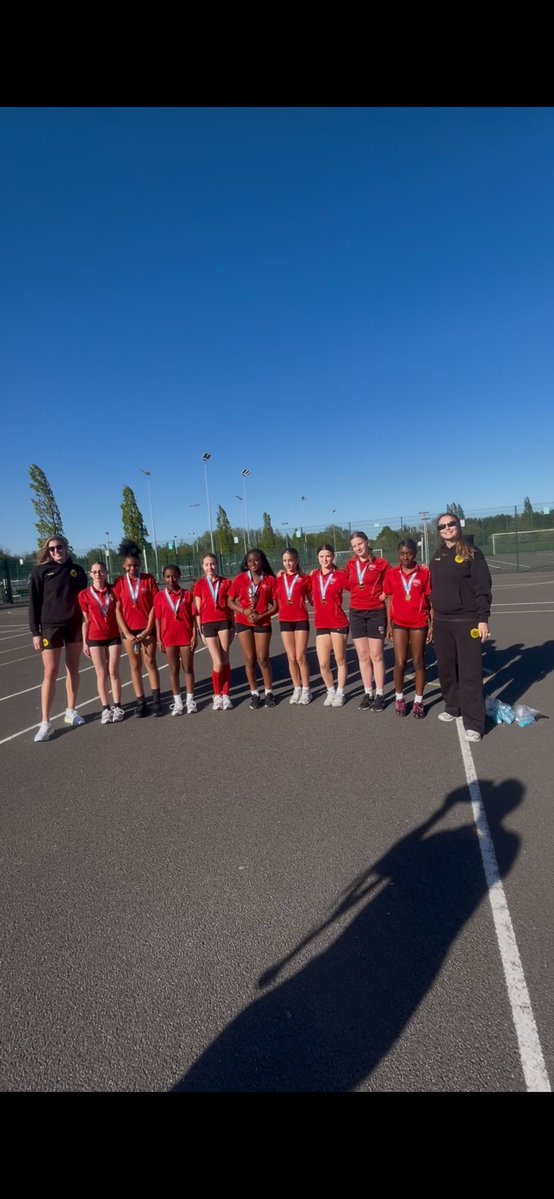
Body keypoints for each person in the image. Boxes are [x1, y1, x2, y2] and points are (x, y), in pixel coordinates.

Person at [429, 513, 492, 743]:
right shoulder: (438, 554)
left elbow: (483, 587)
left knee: (470, 673)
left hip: (467, 621)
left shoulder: (472, 552)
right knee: (446, 670)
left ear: (458, 525)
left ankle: (474, 723)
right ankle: (452, 706)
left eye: (451, 524)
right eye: (442, 526)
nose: (447, 528)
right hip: (442, 622)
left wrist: (483, 618)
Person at [28, 535, 88, 741]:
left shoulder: (78, 571)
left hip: (74, 626)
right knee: (50, 672)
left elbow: (85, 602)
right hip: (50, 628)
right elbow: (34, 603)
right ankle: (45, 722)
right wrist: (35, 632)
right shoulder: (40, 571)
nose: (56, 551)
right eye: (52, 548)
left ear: (66, 547)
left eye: (59, 547)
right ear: (48, 551)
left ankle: (70, 711)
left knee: (73, 668)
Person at [112, 540, 161, 717]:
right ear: (124, 566)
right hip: (129, 632)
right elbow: (117, 609)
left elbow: (155, 605)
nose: (133, 568)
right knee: (134, 665)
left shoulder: (148, 580)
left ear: (140, 564)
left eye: (135, 565)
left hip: (147, 629)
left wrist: (148, 628)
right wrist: (126, 632)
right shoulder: (119, 583)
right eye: (129, 566)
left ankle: (156, 700)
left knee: (150, 663)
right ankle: (141, 702)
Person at [383, 540, 431, 717]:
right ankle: (399, 699)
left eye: (409, 553)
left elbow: (429, 599)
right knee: (400, 663)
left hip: (419, 622)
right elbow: (389, 599)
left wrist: (431, 624)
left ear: (415, 554)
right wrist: (389, 624)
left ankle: (418, 701)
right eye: (402, 554)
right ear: (398, 554)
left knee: (418, 662)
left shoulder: (424, 573)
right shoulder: (391, 573)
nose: (405, 557)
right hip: (399, 623)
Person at [342, 531, 389, 711]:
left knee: (376, 655)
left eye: (360, 544)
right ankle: (368, 692)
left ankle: (380, 694)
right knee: (362, 656)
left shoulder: (381, 563)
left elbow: (392, 580)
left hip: (376, 612)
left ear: (367, 542)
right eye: (354, 546)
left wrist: (386, 592)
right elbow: (341, 580)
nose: (358, 548)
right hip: (356, 613)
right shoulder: (350, 565)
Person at [228, 548, 278, 708]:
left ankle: (268, 692)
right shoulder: (240, 579)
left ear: (261, 561)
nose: (253, 563)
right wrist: (243, 611)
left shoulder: (270, 580)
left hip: (262, 622)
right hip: (243, 622)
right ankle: (254, 693)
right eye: (250, 561)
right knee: (249, 659)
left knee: (262, 659)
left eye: (256, 560)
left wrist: (262, 616)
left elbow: (276, 606)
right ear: (246, 563)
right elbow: (230, 601)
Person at [79, 561, 125, 724]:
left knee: (113, 672)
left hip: (113, 636)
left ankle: (117, 706)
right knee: (101, 673)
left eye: (101, 571)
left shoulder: (113, 591)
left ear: (106, 573)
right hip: (94, 637)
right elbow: (85, 621)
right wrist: (84, 642)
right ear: (90, 574)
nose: (98, 574)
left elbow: (119, 612)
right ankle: (106, 708)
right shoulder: (84, 595)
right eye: (94, 572)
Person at [154, 565, 197, 714]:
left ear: (179, 576)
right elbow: (158, 619)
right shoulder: (159, 597)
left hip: (185, 637)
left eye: (174, 576)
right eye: (167, 576)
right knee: (173, 670)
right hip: (168, 638)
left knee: (188, 668)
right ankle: (178, 703)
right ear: (163, 578)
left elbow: (193, 618)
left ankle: (190, 701)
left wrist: (194, 635)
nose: (171, 579)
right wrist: (159, 639)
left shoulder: (187, 595)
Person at [193, 553, 234, 710]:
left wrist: (233, 626)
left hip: (224, 622)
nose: (210, 567)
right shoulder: (199, 584)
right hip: (208, 624)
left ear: (217, 565)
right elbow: (198, 611)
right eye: (207, 564)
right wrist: (200, 631)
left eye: (212, 564)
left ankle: (226, 695)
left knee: (225, 658)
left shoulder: (226, 582)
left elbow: (230, 607)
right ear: (202, 566)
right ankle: (216, 695)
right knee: (217, 662)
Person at [311, 544, 349, 706]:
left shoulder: (340, 575)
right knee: (323, 663)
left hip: (338, 622)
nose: (325, 559)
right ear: (317, 558)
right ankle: (330, 691)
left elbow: (357, 587)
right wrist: (281, 574)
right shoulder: (313, 576)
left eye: (328, 556)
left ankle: (340, 692)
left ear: (333, 556)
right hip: (321, 624)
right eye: (321, 556)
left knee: (340, 659)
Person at [276, 547, 313, 704]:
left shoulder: (304, 578)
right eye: (285, 561)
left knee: (300, 657)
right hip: (285, 620)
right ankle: (297, 688)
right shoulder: (278, 579)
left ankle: (306, 690)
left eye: (290, 560)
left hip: (300, 619)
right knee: (291, 658)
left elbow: (313, 600)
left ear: (297, 561)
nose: (288, 563)